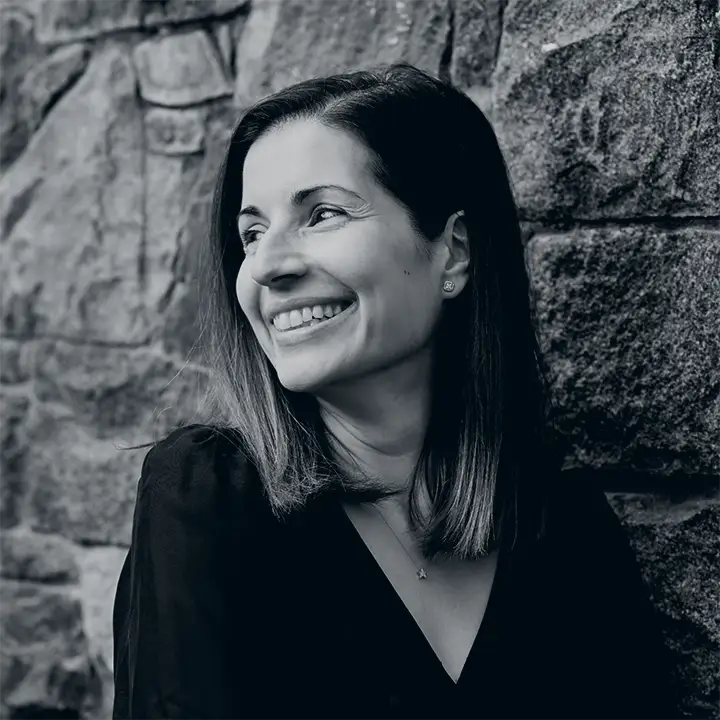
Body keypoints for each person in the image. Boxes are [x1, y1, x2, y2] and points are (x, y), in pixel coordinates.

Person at [112, 64, 679, 718]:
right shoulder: (207, 496)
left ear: (453, 252)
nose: (266, 265)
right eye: (252, 234)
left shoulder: (568, 533)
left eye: (321, 214)